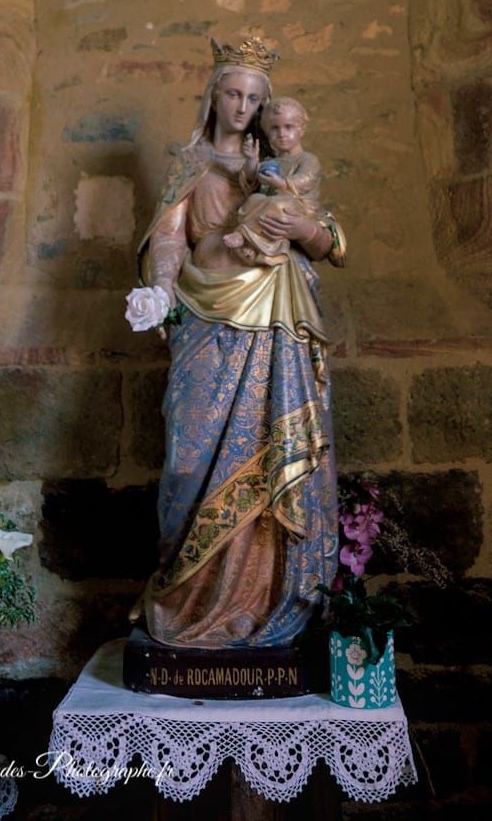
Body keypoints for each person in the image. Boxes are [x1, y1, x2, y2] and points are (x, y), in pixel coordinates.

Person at [134, 36, 346, 649]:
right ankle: (186, 598)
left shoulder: (283, 164)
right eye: (232, 93)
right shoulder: (189, 161)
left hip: (279, 322)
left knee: (272, 453)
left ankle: (261, 604)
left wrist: (305, 225)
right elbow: (169, 238)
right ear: (213, 96)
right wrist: (160, 292)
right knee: (189, 461)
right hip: (207, 320)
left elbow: (326, 237)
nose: (242, 105)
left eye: (255, 97)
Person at [223, 96, 322, 267]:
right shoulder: (272, 161)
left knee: (280, 202)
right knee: (255, 200)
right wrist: (253, 160)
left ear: (302, 129)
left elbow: (305, 180)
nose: (282, 134)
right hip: (271, 207)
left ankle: (244, 236)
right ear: (267, 132)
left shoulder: (308, 159)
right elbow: (253, 185)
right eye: (275, 128)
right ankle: (255, 244)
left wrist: (281, 183)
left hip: (298, 208)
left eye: (289, 127)